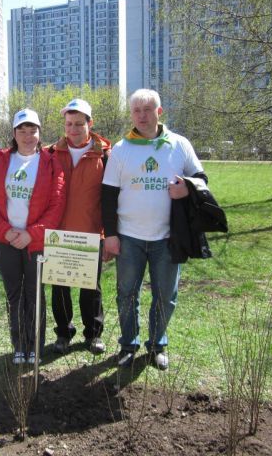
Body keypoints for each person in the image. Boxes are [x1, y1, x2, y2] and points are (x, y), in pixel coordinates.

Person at [101, 89, 208, 370]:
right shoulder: (121, 149)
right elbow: (108, 195)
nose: (142, 116)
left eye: (148, 110)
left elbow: (201, 179)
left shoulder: (179, 144)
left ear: (159, 112)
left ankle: (158, 344)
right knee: (127, 294)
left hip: (168, 238)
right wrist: (110, 235)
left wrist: (187, 188)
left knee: (165, 295)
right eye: (136, 110)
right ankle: (128, 344)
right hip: (129, 237)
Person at [0, 109, 65, 364]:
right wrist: (4, 230)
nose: (28, 136)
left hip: (35, 242)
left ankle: (35, 347)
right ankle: (19, 346)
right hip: (5, 240)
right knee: (14, 294)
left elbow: (56, 205)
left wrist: (31, 234)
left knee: (34, 293)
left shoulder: (50, 163)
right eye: (22, 131)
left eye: (33, 131)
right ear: (14, 134)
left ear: (40, 133)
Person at [48, 98, 111, 355]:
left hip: (90, 232)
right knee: (59, 287)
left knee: (90, 288)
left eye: (78, 124)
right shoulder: (50, 152)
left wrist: (107, 235)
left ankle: (93, 335)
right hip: (58, 234)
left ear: (90, 124)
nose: (73, 129)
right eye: (69, 124)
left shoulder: (105, 155)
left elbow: (110, 199)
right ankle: (64, 333)